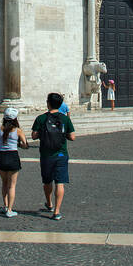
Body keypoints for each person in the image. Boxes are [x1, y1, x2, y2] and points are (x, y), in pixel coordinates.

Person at [31, 92, 75, 220]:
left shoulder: (41, 118)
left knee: (47, 181)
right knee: (60, 183)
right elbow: (72, 137)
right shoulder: (65, 119)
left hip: (46, 154)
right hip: (61, 153)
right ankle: (57, 211)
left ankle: (49, 203)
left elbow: (34, 136)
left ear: (48, 104)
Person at [0, 106, 27, 217]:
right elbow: (25, 145)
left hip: (1, 156)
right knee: (12, 185)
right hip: (13, 156)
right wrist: (17, 144)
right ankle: (10, 210)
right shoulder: (18, 131)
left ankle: (5, 205)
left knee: (4, 183)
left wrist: (1, 143)